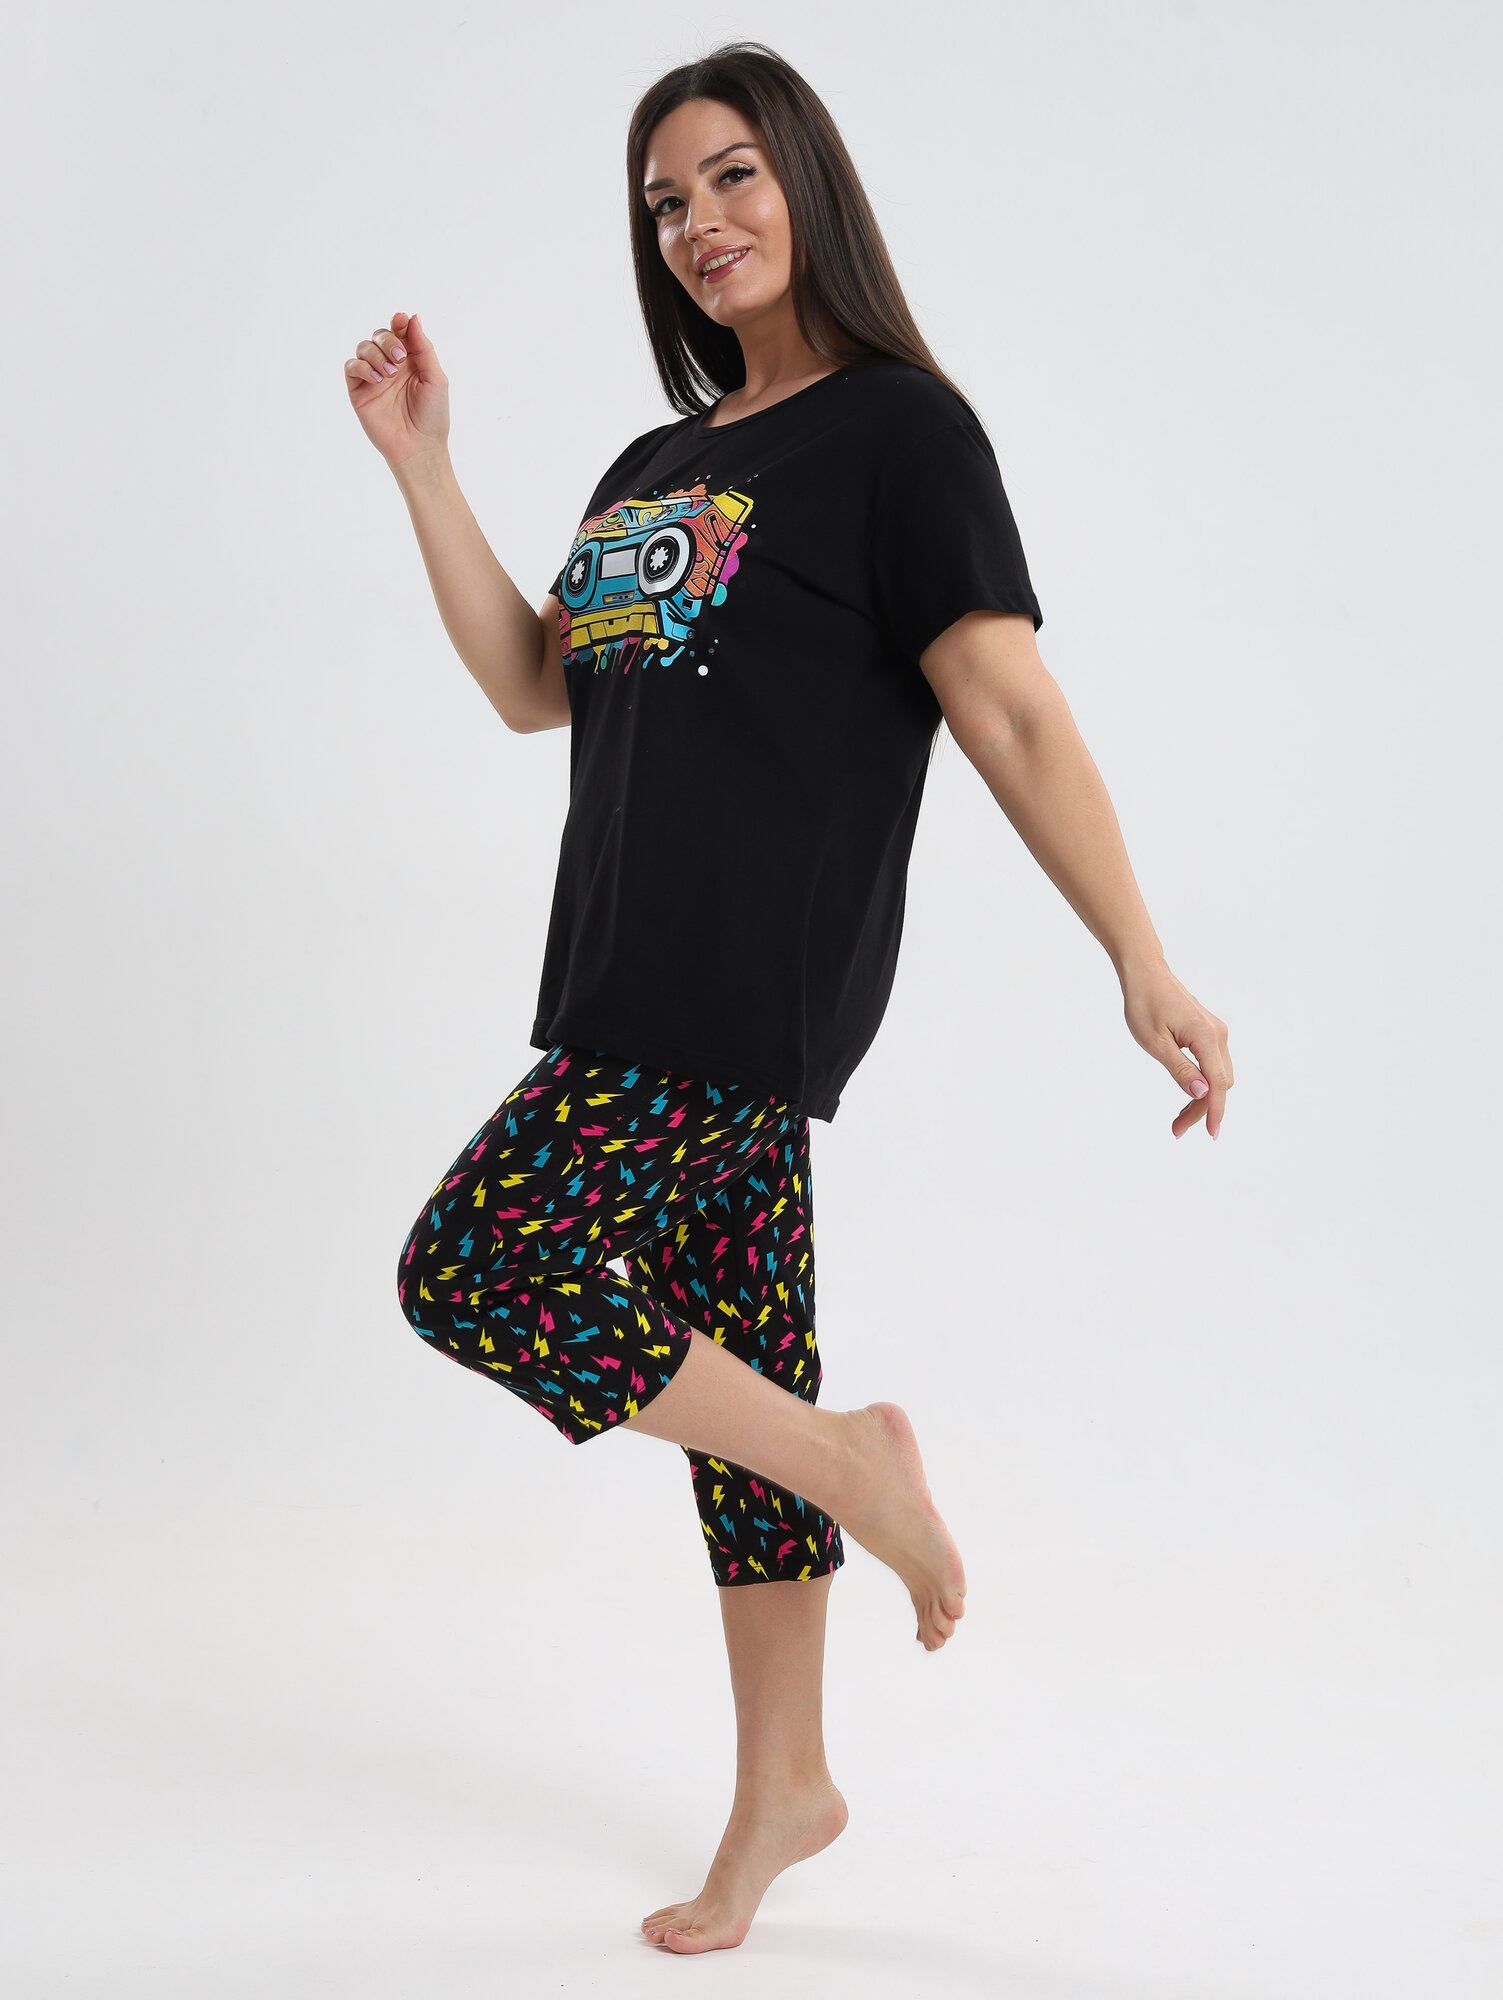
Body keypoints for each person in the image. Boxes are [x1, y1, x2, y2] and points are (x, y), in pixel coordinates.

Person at [343, 39, 1232, 1958]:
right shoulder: (653, 467)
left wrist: (1139, 954)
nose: (700, 224)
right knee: (741, 1373)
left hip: (737, 980)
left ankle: (851, 1464)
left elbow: (1007, 707)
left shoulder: (903, 435)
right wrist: (425, 468)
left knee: (472, 1269)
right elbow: (531, 684)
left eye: (733, 176)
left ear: (807, 182)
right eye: (666, 203)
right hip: (619, 976)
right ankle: (786, 1790)